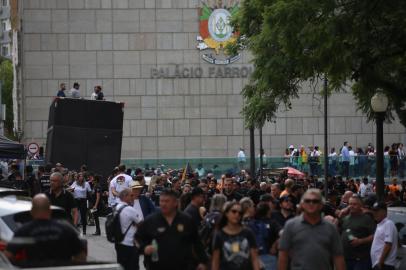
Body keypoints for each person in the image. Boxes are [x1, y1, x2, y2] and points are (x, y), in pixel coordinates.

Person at [135, 189, 208, 270]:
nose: (163, 204)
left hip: (183, 266)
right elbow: (137, 238)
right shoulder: (151, 220)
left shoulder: (186, 220)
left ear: (175, 202)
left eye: (167, 201)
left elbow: (196, 242)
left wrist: (202, 261)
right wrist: (144, 248)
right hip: (157, 266)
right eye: (161, 201)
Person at [5, 194, 83, 265]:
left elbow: (8, 256)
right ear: (50, 210)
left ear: (32, 211)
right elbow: (81, 256)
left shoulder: (23, 230)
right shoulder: (66, 229)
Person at [278, 189, 345, 270]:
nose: (311, 203)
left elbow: (338, 257)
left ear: (321, 205)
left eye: (315, 201)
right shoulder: (291, 225)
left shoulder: (330, 228)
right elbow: (283, 255)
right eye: (307, 201)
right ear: (302, 204)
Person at [211, 201, 260, 270]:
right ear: (226, 213)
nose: (237, 214)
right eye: (234, 211)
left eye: (240, 213)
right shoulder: (219, 235)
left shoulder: (248, 233)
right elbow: (215, 261)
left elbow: (254, 258)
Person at [339, 195, 376, 270]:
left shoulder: (367, 218)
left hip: (360, 260)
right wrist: (341, 214)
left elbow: (375, 235)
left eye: (354, 204)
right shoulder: (345, 218)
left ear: (361, 206)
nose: (352, 206)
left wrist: (361, 241)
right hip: (346, 258)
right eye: (350, 204)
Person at [115, 188, 142, 270]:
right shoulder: (130, 210)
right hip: (129, 243)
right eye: (131, 195)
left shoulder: (116, 207)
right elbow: (141, 224)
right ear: (125, 196)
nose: (133, 197)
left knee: (122, 266)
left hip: (119, 242)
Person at [370, 201, 398, 270]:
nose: (374, 213)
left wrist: (380, 262)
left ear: (385, 212)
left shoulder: (388, 223)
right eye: (374, 211)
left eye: (377, 211)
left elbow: (388, 244)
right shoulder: (380, 224)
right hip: (379, 264)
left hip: (384, 265)